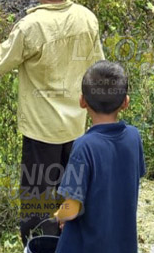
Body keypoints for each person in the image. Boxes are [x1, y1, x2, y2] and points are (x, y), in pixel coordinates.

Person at [0, 0, 104, 245]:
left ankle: (40, 246)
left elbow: (0, 61)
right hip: (77, 127)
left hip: (41, 131)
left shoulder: (30, 26)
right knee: (72, 195)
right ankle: (72, 245)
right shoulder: (87, 18)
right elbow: (97, 70)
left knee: (38, 203)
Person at [53, 61, 145, 252]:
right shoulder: (133, 136)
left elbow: (72, 209)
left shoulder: (83, 147)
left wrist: (59, 215)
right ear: (125, 102)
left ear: (82, 101)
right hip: (122, 245)